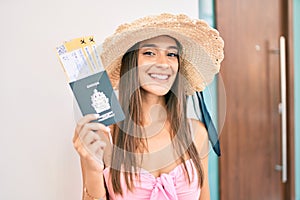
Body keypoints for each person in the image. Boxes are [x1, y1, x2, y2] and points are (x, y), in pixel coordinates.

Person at [73, 13, 224, 200]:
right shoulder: (105, 136)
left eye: (171, 54)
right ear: (131, 63)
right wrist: (92, 170)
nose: (163, 63)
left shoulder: (196, 133)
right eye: (149, 53)